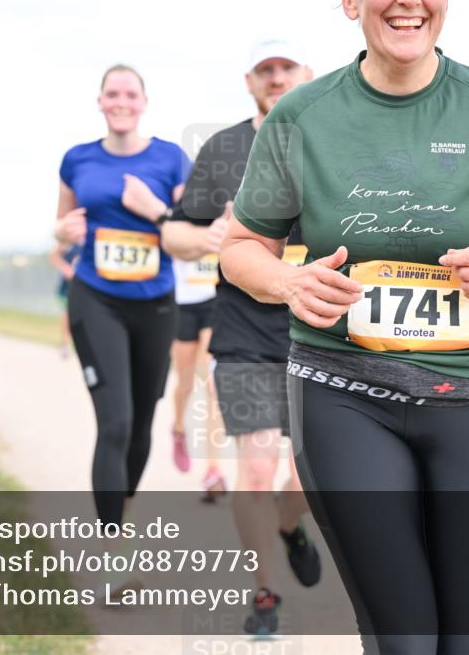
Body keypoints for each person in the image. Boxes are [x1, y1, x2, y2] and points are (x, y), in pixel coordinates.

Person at [219, 0, 469, 653]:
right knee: (405, 640)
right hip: (345, 397)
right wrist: (286, 280)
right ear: (352, 0)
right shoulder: (302, 116)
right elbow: (241, 244)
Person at [162, 39, 322, 636]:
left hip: (325, 334)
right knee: (256, 467)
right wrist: (212, 239)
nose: (277, 77)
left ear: (308, 73)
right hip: (245, 332)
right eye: (266, 69)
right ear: (250, 81)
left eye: (287, 67)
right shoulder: (224, 148)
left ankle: (290, 523)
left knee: (312, 476)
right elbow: (175, 232)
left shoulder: (339, 133)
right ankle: (265, 595)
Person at [53, 64, 191, 593]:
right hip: (95, 298)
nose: (121, 101)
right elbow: (62, 228)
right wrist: (59, 231)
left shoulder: (170, 159)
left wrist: (155, 209)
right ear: (100, 100)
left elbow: (195, 234)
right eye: (112, 93)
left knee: (140, 423)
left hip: (155, 303)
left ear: (144, 101)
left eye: (130, 93)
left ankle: (122, 516)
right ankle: (112, 548)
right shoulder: (77, 159)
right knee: (114, 422)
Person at [168, 254, 218, 474]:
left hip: (213, 301)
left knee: (211, 384)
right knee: (185, 384)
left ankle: (213, 468)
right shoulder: (173, 218)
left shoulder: (225, 218)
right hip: (182, 303)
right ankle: (178, 428)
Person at [49, 242, 83, 359]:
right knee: (67, 315)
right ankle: (65, 344)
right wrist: (66, 268)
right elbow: (53, 256)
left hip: (87, 285)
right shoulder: (70, 236)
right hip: (69, 286)